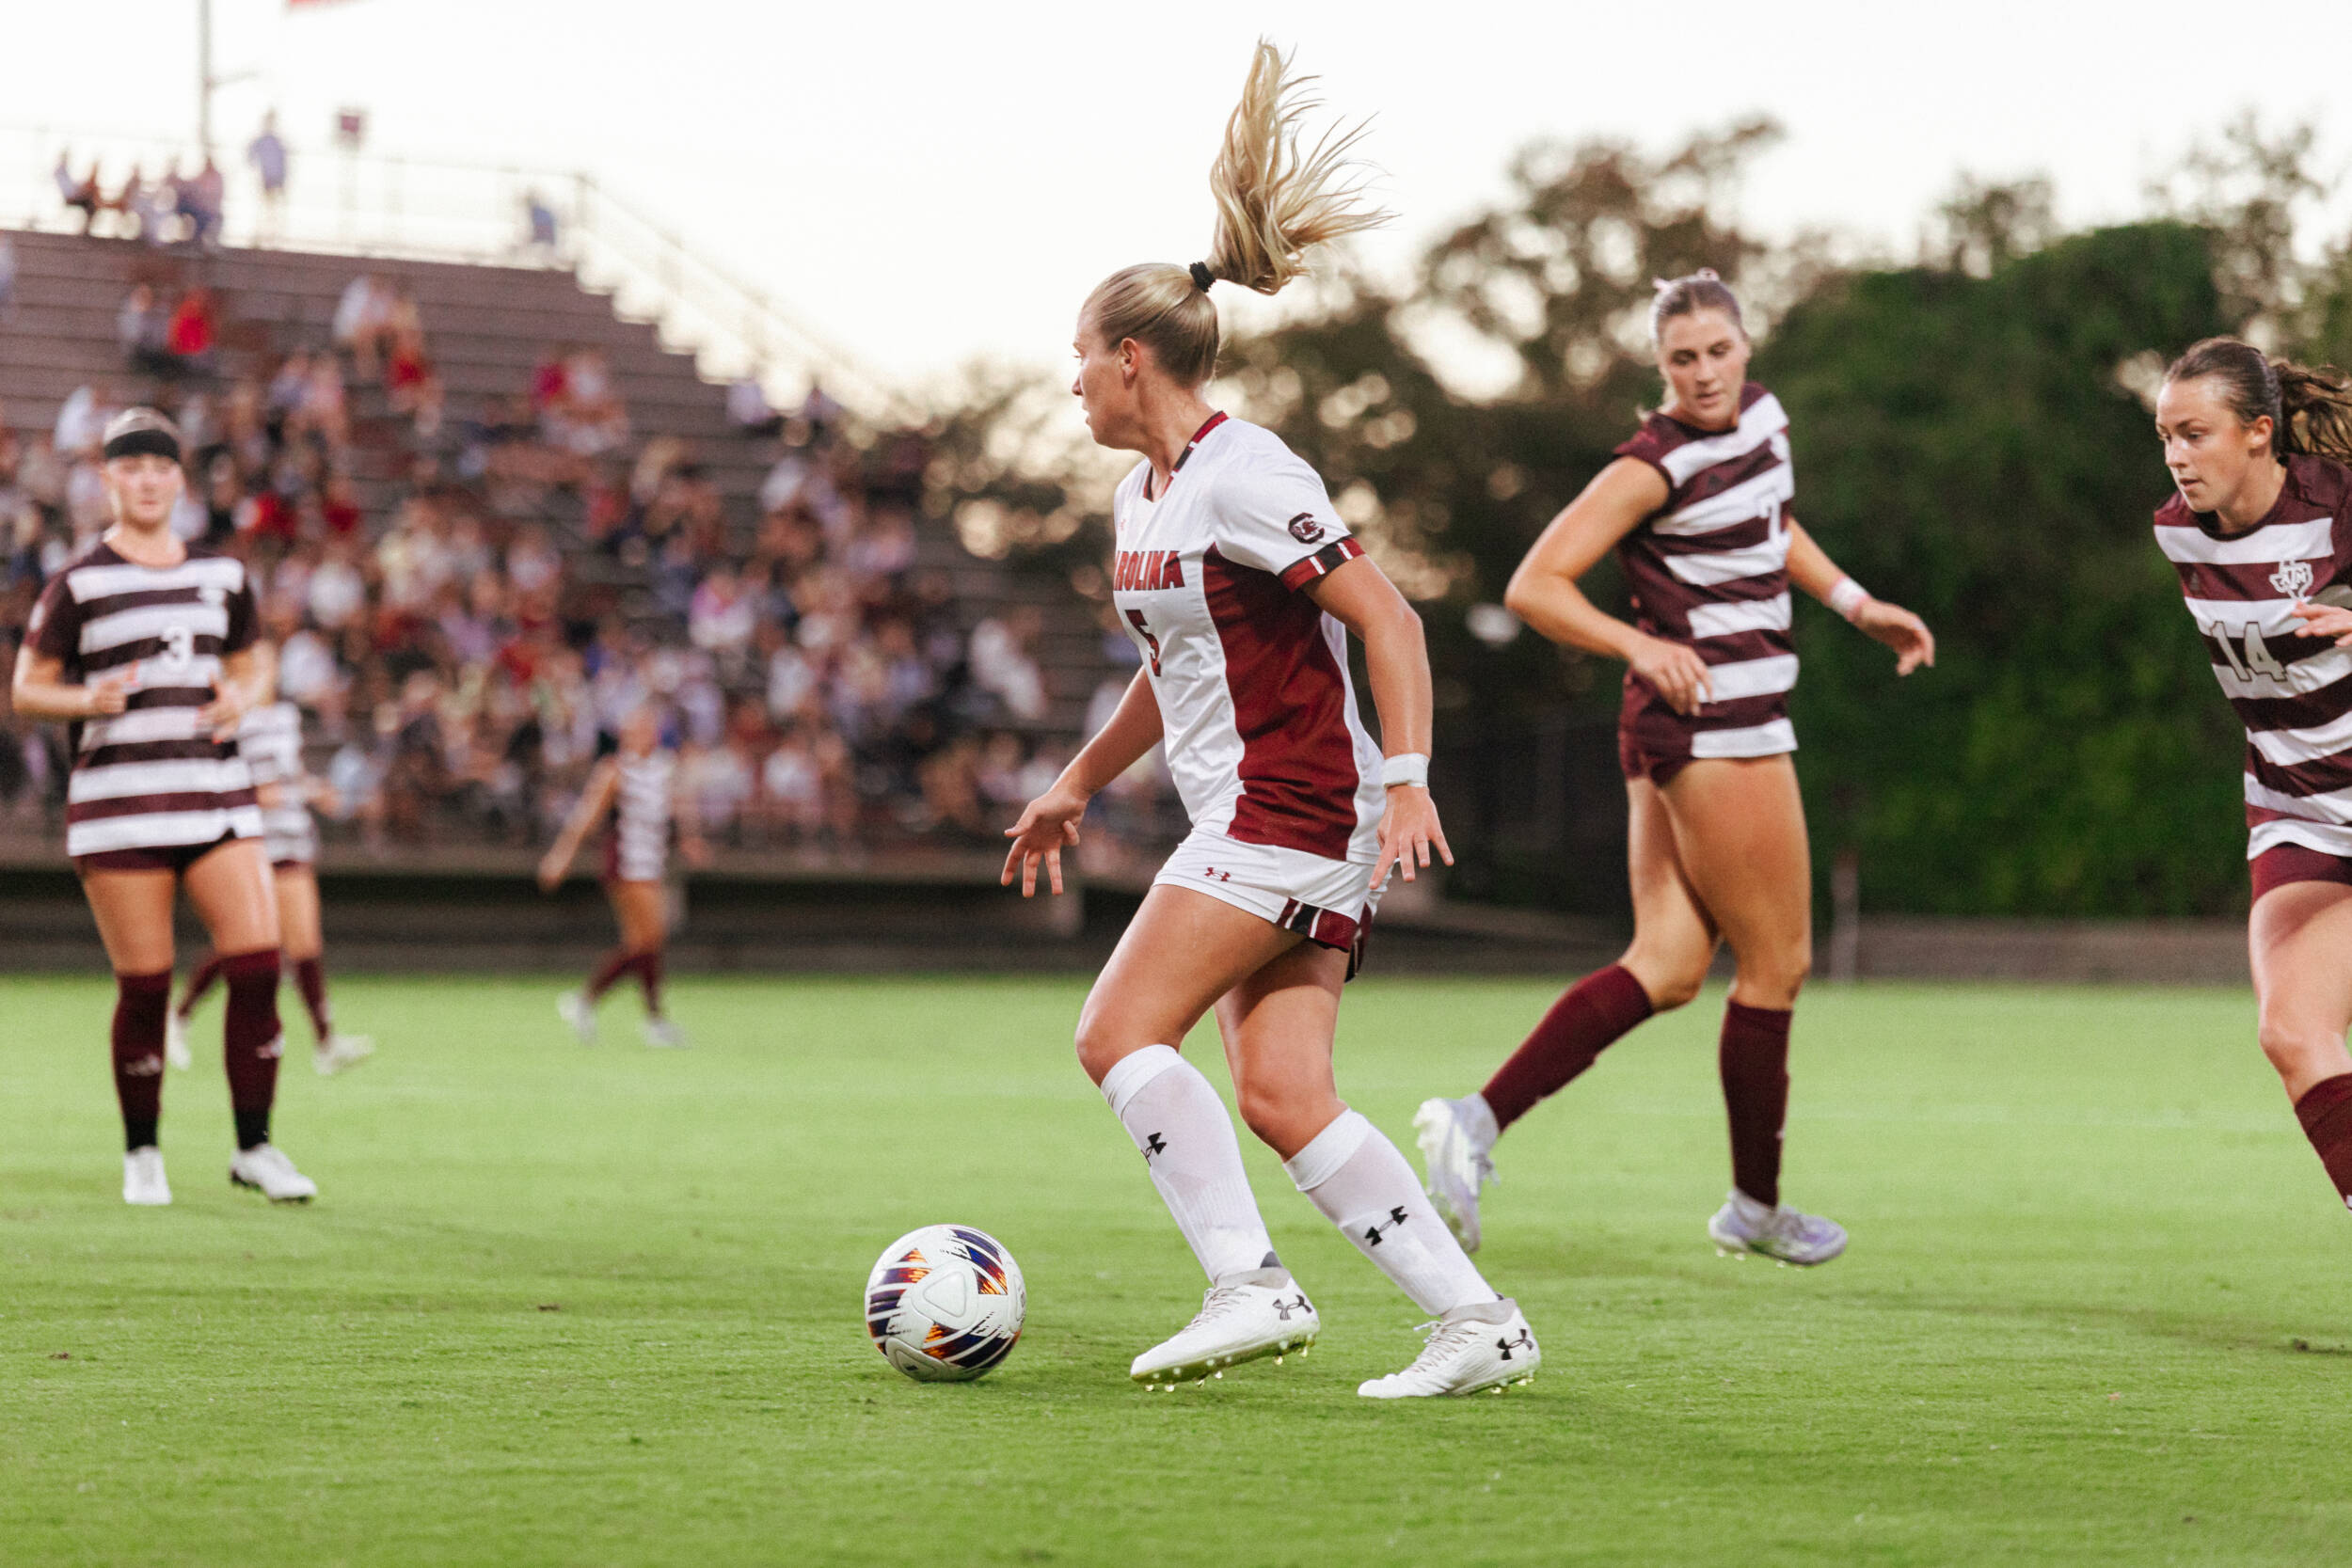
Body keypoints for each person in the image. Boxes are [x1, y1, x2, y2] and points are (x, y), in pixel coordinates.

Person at [1000, 41, 1539, 1400]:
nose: (1070, 382)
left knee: (1114, 1032)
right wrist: (1074, 783)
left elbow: (1391, 618)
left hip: (1293, 809)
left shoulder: (1249, 473)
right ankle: (1480, 1323)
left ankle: (1251, 1285)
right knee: (1286, 1092)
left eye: (1079, 358)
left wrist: (1407, 780)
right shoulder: (1142, 500)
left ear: (1133, 360)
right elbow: (1167, 666)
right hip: (1268, 815)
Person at [1414, 270, 1935, 1265]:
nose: (1703, 373)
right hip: (1716, 723)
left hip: (1682, 725)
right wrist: (1634, 644)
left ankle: (1472, 1122)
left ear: (1746, 349)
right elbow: (1535, 584)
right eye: (1681, 360)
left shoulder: (1761, 421)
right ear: (1659, 370)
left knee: (1666, 965)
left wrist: (1855, 602)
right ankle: (1754, 1206)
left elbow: (1766, 524)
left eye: (1718, 352)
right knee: (1777, 963)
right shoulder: (1649, 463)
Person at [8, 409, 317, 1206]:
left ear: (179, 480)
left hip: (214, 794)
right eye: (131, 466)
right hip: (120, 806)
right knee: (145, 987)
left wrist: (241, 697)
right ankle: (142, 1150)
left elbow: (255, 662)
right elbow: (26, 687)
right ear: (108, 479)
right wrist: (87, 698)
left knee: (257, 962)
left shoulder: (222, 574)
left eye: (159, 466)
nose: (146, 479)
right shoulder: (78, 581)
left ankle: (255, 1146)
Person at [2150, 338, 2352, 1213]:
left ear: (2260, 433)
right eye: (2164, 437)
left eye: (2195, 434)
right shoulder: (2174, 530)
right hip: (2295, 812)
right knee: (2293, 1033)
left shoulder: (2340, 506)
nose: (2177, 457)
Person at [169, 681, 374, 1077]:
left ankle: (326, 1041)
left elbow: (289, 777)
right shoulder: (231, 717)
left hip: (292, 839)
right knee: (256, 944)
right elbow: (238, 786)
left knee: (297, 943)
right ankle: (179, 1017)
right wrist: (280, 794)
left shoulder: (285, 716)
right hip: (257, 843)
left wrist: (315, 791)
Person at [537, 705, 708, 1048]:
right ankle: (593, 1003)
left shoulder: (663, 768)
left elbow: (678, 808)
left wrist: (690, 839)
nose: (647, 733)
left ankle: (639, 1017)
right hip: (626, 864)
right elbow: (586, 817)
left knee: (643, 945)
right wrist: (561, 856)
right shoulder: (615, 770)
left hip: (653, 863)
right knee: (650, 939)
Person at [248, 114, 288, 243]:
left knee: (270, 208)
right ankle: (266, 234)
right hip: (267, 178)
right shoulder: (270, 141)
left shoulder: (272, 141)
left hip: (271, 178)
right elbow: (251, 155)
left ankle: (271, 235)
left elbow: (251, 156)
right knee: (267, 207)